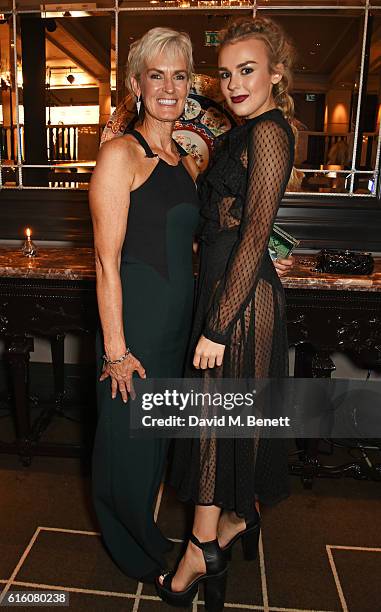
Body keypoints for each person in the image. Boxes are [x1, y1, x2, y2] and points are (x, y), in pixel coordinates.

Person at [157, 16, 295, 610]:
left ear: (276, 75)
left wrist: (217, 325)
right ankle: (222, 533)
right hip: (225, 295)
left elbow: (256, 236)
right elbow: (226, 215)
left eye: (249, 71)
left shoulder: (268, 131)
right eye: (227, 73)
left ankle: (201, 549)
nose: (235, 84)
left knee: (213, 426)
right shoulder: (241, 134)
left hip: (236, 305)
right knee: (213, 425)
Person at [89, 27, 200, 583]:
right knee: (126, 447)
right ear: (136, 84)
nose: (167, 87)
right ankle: (134, 550)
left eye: (178, 76)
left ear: (189, 87)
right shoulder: (118, 155)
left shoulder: (184, 159)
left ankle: (150, 533)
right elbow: (107, 261)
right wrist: (115, 350)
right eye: (156, 75)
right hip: (135, 326)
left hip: (176, 326)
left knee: (155, 442)